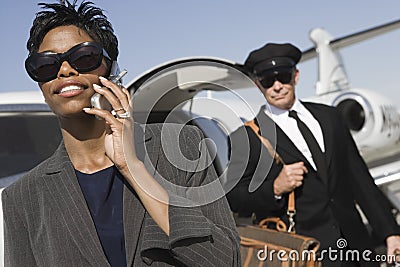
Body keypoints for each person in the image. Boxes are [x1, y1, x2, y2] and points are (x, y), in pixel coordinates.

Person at [1, 1, 241, 266]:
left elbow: (225, 260)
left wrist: (133, 168)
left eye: (83, 57)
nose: (64, 70)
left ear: (112, 70)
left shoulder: (182, 146)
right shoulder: (22, 196)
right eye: (46, 65)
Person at [226, 42, 400, 266]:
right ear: (258, 85)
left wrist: (389, 232)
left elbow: (360, 180)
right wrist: (274, 189)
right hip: (305, 255)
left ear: (295, 76)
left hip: (357, 250)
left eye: (283, 77)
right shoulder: (247, 137)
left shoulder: (331, 117)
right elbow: (234, 196)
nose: (277, 86)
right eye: (268, 81)